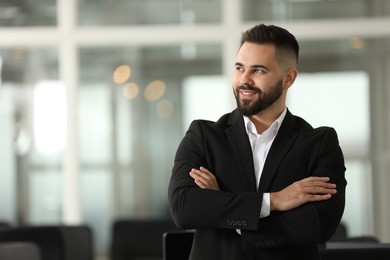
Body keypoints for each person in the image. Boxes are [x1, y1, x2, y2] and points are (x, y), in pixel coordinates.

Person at [168, 24, 346, 260]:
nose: (244, 80)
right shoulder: (203, 136)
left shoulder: (319, 143)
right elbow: (184, 209)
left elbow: (318, 224)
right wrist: (275, 201)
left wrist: (221, 206)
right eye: (240, 68)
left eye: (258, 71)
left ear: (288, 78)